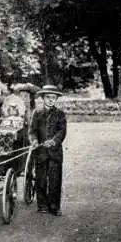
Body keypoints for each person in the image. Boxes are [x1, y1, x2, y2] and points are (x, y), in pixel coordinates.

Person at [29, 85, 67, 216]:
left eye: (53, 98)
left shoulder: (60, 114)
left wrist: (54, 141)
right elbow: (32, 131)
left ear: (56, 99)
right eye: (48, 97)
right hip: (40, 153)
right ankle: (42, 205)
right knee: (41, 180)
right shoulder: (37, 113)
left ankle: (54, 206)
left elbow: (62, 131)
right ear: (43, 98)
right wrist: (34, 141)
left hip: (55, 153)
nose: (51, 100)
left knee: (55, 180)